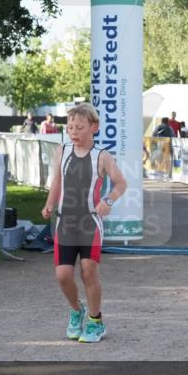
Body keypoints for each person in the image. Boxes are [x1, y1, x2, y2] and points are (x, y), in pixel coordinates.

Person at [41, 103, 127, 344]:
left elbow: (121, 183)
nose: (74, 132)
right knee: (62, 275)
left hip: (89, 223)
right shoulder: (63, 151)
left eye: (79, 127)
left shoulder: (102, 156)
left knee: (88, 271)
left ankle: (95, 321)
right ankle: (76, 311)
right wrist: (49, 204)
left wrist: (108, 200)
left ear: (94, 127)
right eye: (70, 127)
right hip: (65, 223)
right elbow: (57, 181)